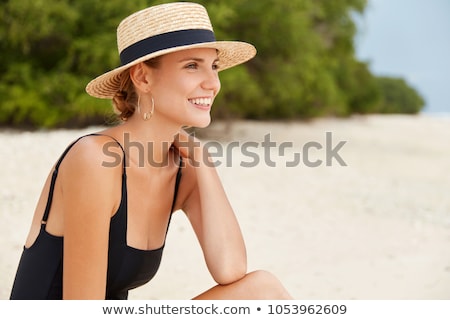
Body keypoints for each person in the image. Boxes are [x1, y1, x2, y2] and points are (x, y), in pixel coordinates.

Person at [9, 2, 292, 300]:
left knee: (262, 290)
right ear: (143, 77)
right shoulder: (95, 159)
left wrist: (204, 162)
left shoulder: (185, 170)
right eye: (192, 66)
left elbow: (231, 269)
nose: (212, 83)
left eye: (214, 66)